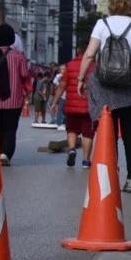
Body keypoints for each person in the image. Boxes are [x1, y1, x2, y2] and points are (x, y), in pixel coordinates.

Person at [78, 0, 131, 193]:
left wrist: (81, 78)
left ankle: (109, 176)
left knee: (108, 133)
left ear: (112, 4)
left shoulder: (101, 24)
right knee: (130, 133)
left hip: (105, 86)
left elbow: (89, 55)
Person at [0, 24, 32, 167]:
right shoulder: (18, 56)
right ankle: (6, 153)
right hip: (14, 98)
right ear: (11, 39)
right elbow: (24, 74)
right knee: (10, 127)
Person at [51, 41, 93, 169]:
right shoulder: (95, 66)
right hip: (88, 107)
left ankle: (72, 149)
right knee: (87, 133)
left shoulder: (70, 65)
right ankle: (86, 161)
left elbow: (62, 85)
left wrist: (55, 102)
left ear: (79, 51)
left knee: (72, 129)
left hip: (71, 105)